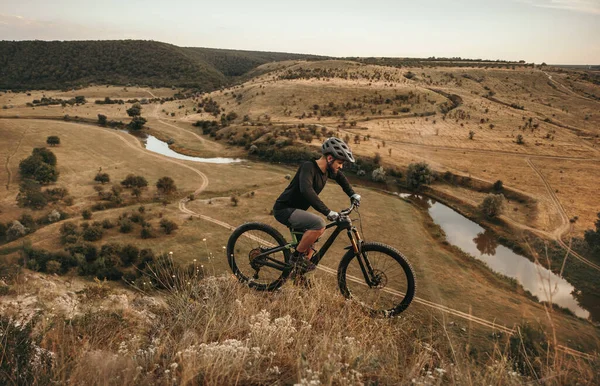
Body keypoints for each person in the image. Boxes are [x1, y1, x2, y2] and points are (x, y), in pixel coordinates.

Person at [273, 137, 361, 273]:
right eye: (340, 162)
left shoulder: (327, 170)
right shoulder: (308, 167)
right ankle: (295, 258)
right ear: (330, 158)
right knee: (319, 224)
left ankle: (298, 275)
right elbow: (306, 191)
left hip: (297, 211)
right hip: (284, 209)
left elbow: (341, 178)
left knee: (312, 245)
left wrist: (352, 194)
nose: (341, 166)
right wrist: (328, 212)